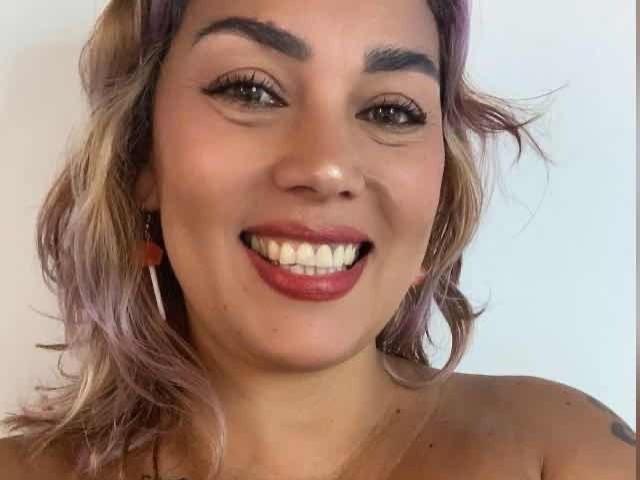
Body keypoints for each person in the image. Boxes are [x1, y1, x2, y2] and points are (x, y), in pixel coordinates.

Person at [0, 0, 635, 479]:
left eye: (391, 110)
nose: (327, 167)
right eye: (251, 90)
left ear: (438, 194)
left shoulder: (564, 456)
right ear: (141, 155)